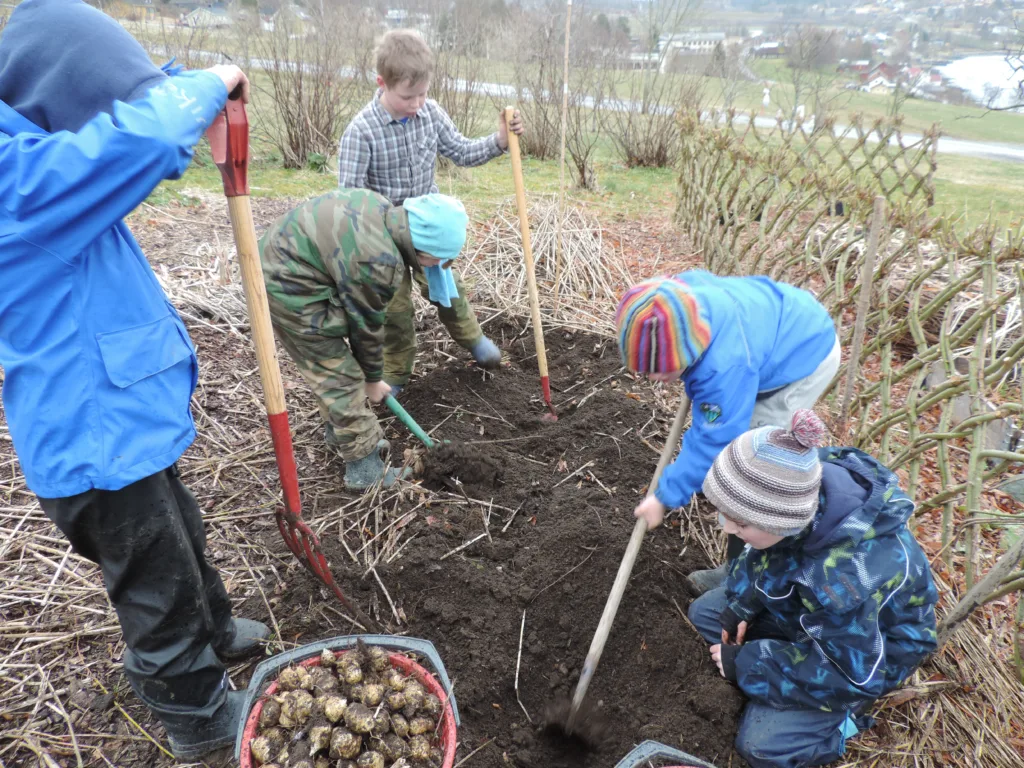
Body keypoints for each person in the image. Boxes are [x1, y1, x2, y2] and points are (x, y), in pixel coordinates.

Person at [0, 0, 267, 759]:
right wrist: (209, 82)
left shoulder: (43, 154)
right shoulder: (19, 188)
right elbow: (141, 136)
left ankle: (212, 631)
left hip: (121, 426)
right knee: (158, 589)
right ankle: (195, 713)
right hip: (94, 448)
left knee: (183, 535)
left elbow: (135, 117)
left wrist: (185, 87)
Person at [686, 410, 938, 768]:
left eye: (739, 522)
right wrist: (742, 603)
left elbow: (853, 674)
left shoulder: (844, 581)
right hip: (813, 613)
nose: (726, 527)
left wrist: (748, 664)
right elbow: (768, 553)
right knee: (706, 615)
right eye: (724, 514)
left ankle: (840, 723)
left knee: (761, 746)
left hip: (862, 658)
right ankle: (778, 671)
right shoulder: (795, 480)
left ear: (782, 521)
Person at [615, 270, 840, 593]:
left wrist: (665, 497)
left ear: (690, 351)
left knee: (753, 466)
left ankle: (742, 575)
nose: (651, 378)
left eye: (659, 369)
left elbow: (713, 442)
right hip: (778, 323)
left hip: (804, 354)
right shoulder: (678, 299)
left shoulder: (724, 369)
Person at [338, 28, 525, 395]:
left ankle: (473, 340)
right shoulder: (361, 132)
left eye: (423, 93)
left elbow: (463, 151)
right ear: (382, 83)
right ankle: (395, 374)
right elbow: (348, 204)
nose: (418, 103)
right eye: (408, 96)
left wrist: (501, 140)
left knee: (449, 290)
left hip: (428, 230)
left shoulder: (431, 113)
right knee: (395, 312)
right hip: (384, 236)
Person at [260, 190, 470, 489]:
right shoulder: (378, 262)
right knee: (341, 377)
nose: (437, 266)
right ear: (423, 246)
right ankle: (363, 469)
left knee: (337, 366)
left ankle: (340, 431)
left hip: (290, 265)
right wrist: (372, 378)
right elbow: (366, 326)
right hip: (287, 287)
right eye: (439, 259)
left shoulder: (382, 210)